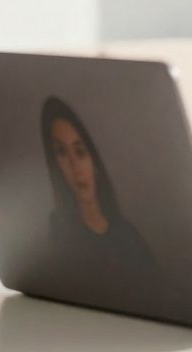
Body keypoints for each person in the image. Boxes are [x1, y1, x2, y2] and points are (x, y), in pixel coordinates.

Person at [41, 96, 154, 269]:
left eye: (80, 152)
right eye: (62, 152)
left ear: (95, 161)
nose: (74, 166)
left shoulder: (128, 239)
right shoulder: (59, 234)